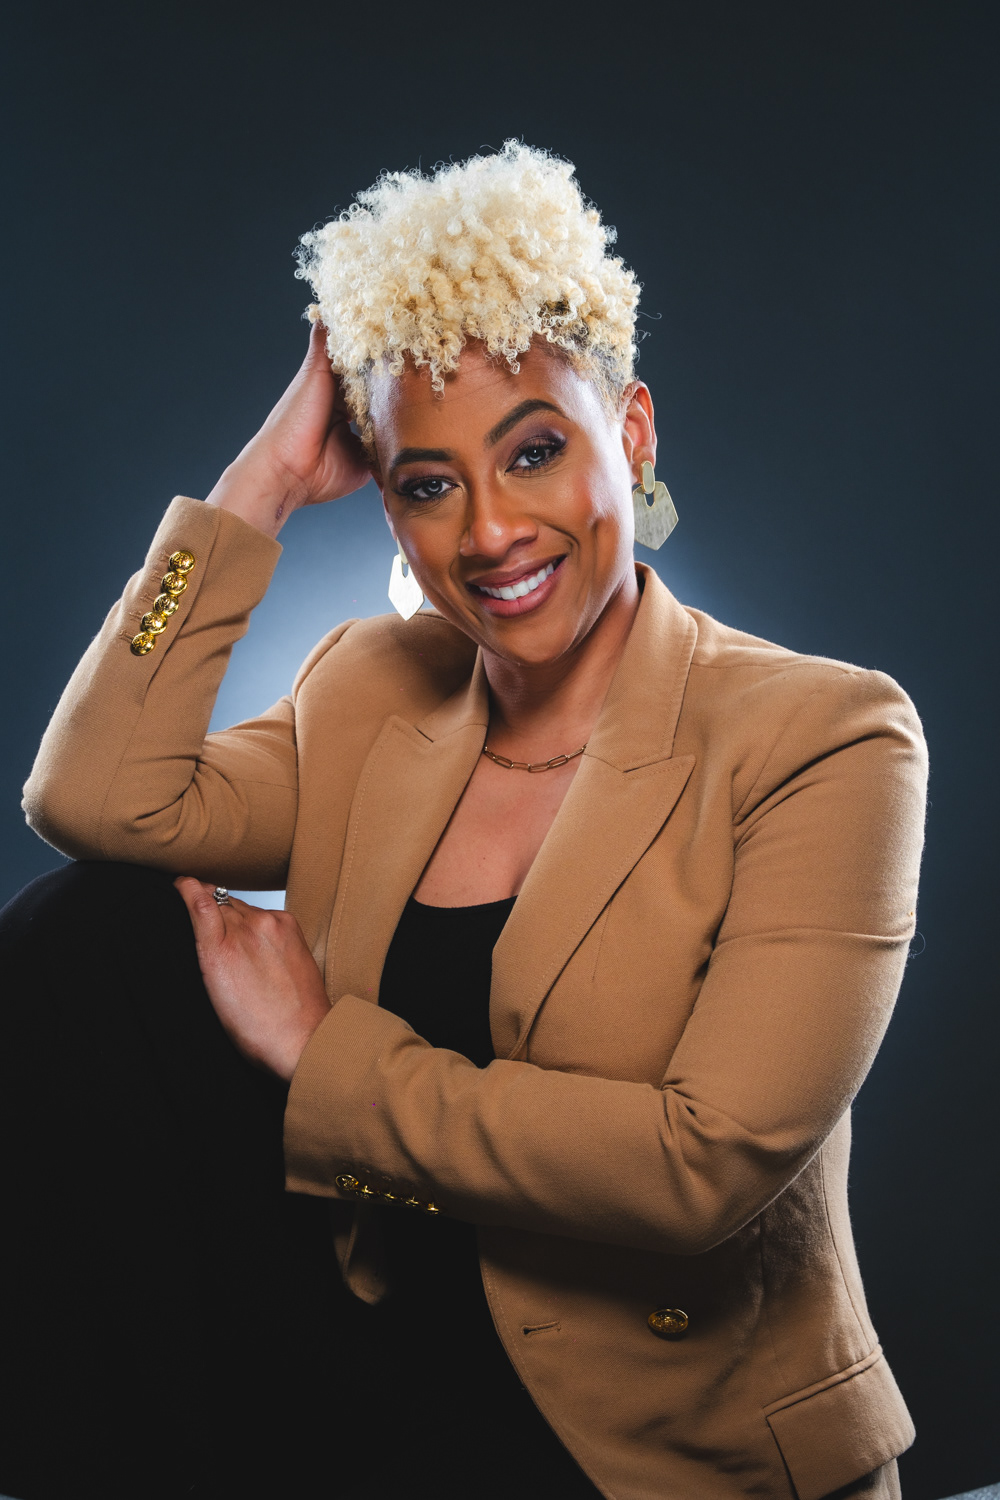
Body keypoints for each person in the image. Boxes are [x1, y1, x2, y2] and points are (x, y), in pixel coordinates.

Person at [1, 142, 927, 1500]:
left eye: (534, 452)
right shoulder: (370, 692)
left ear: (634, 432)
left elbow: (698, 1172)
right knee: (87, 935)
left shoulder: (825, 737)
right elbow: (93, 799)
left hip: (652, 1441)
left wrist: (325, 1055)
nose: (489, 533)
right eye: (429, 483)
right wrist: (260, 484)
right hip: (382, 1365)